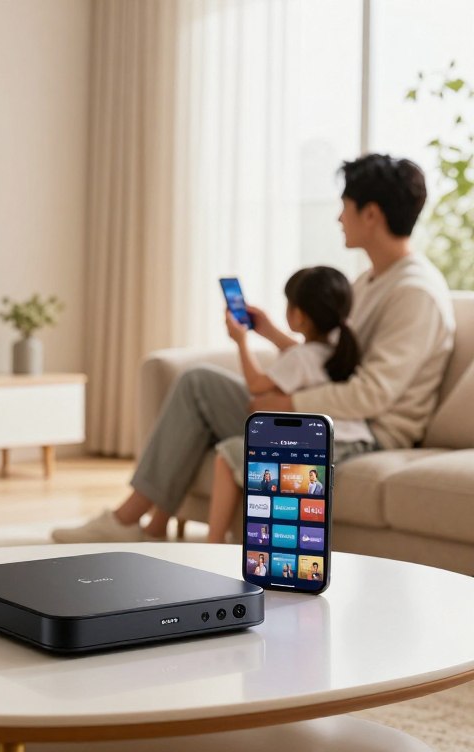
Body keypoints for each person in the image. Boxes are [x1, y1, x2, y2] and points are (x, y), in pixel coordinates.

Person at [53, 153, 455, 545]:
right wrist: (273, 336)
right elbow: (331, 361)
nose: (338, 218)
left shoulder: (413, 294)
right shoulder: (371, 281)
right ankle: (139, 521)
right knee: (198, 384)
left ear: (371, 214)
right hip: (330, 413)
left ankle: (135, 521)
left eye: (345, 207)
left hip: (364, 431)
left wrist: (287, 403)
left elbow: (372, 394)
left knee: (233, 405)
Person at [200, 265, 372, 540]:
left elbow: (256, 384)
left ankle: (213, 542)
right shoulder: (339, 353)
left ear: (299, 315)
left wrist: (241, 341)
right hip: (357, 440)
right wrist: (267, 331)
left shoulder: (301, 357)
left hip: (326, 444)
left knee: (228, 454)